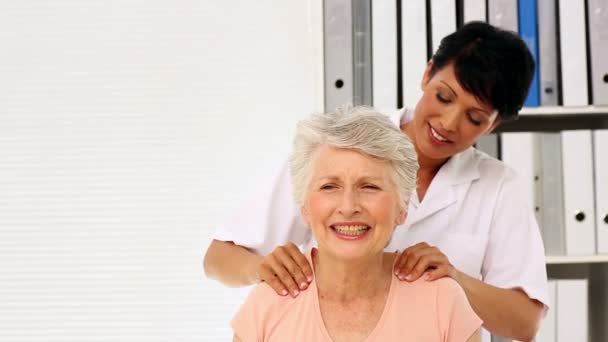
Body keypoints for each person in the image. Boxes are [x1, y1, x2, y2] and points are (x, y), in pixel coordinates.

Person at [205, 21, 548, 341]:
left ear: (494, 125)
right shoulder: (338, 145)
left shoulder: (498, 187)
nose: (448, 122)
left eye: (474, 117)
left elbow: (525, 322)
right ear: (428, 72)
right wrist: (263, 269)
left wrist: (454, 278)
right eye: (444, 97)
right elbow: (218, 258)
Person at [232, 106, 482, 342]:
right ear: (305, 208)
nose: (349, 206)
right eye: (329, 186)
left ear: (403, 207)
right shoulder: (268, 303)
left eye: (369, 186)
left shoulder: (443, 301)